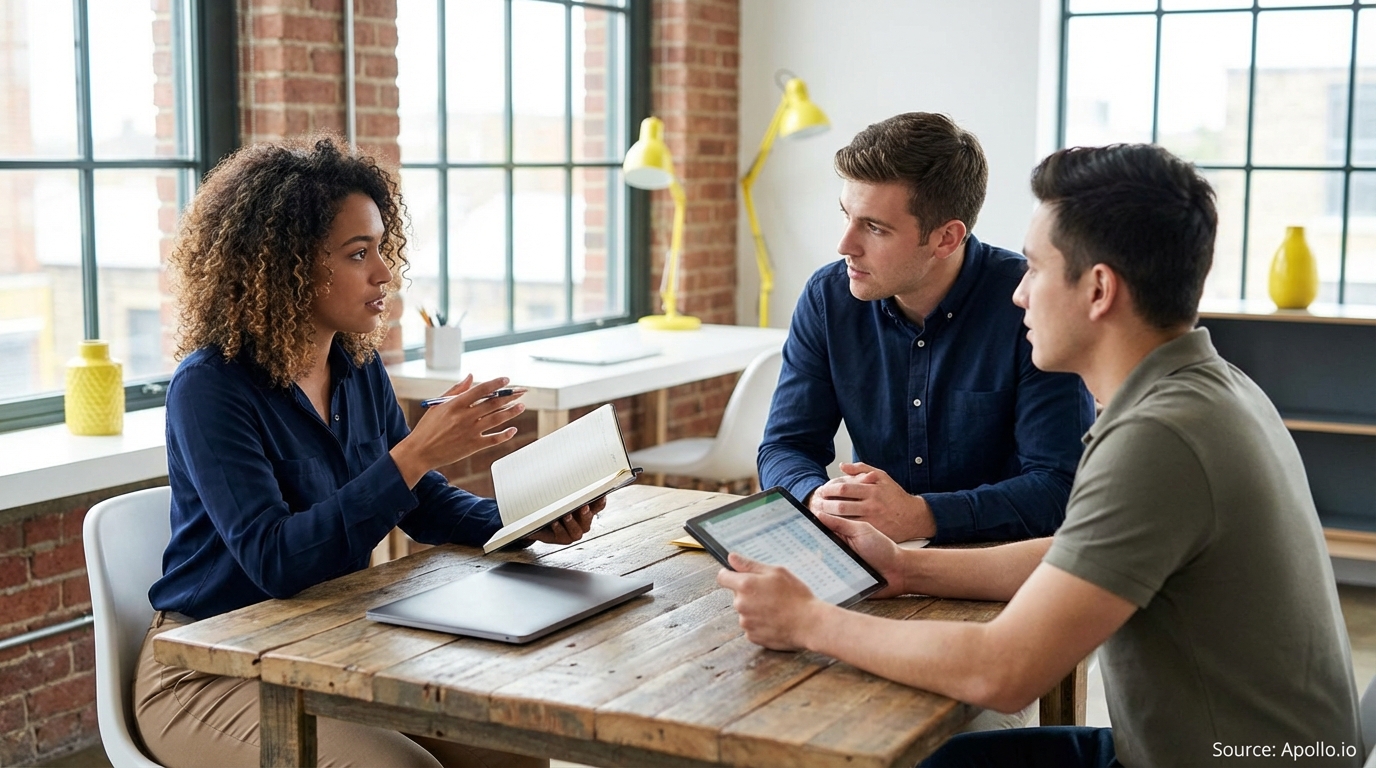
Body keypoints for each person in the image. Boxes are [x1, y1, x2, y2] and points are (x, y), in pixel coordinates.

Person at [722, 143, 1362, 767]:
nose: (1019, 293)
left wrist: (807, 621)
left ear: (1099, 290)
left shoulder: (1158, 439)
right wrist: (909, 570)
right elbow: (1077, 550)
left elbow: (1003, 672)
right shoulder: (1212, 387)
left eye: (1034, 268)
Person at [135, 135, 599, 768]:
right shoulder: (211, 388)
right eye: (359, 254)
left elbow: (423, 507)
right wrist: (414, 455)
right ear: (287, 263)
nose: (385, 273)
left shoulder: (357, 367)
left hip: (326, 640)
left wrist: (524, 520)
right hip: (208, 663)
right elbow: (275, 560)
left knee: (510, 745)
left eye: (382, 249)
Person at [758, 112, 1094, 546]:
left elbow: (1058, 488)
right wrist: (816, 499)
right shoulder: (829, 298)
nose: (845, 246)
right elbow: (785, 445)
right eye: (846, 216)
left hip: (999, 565)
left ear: (946, 239)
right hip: (874, 557)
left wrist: (924, 516)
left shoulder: (1029, 305)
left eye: (874, 228)